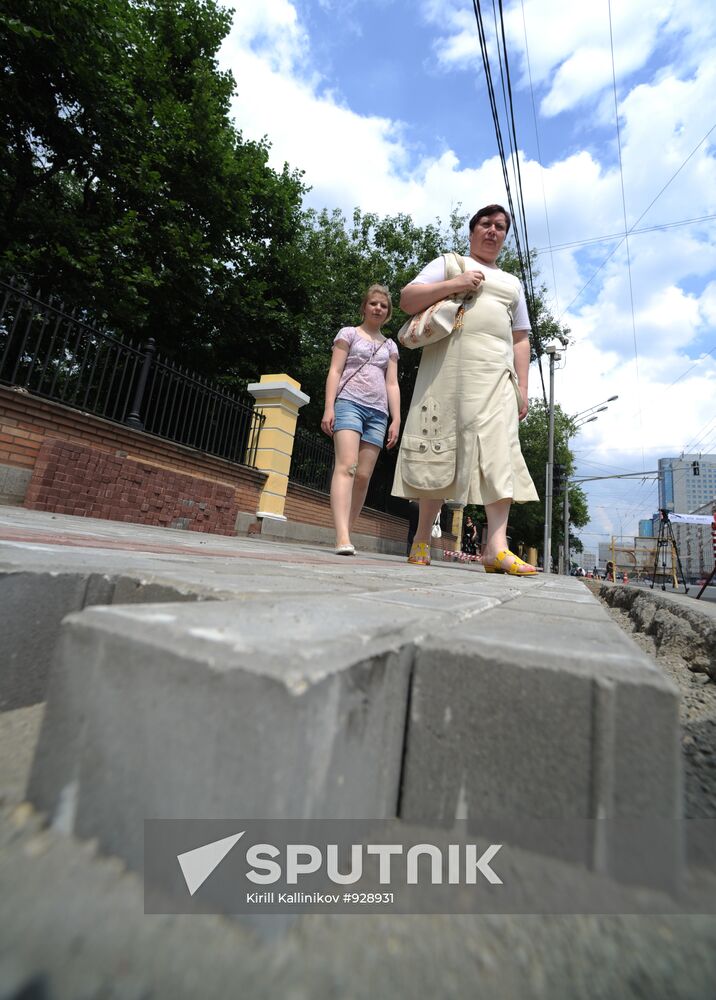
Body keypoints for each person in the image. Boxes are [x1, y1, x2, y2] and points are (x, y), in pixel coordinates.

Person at [392, 204, 539, 574]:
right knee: (440, 450)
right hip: (448, 374)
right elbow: (407, 300)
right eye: (486, 224)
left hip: (497, 379)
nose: (493, 231)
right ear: (472, 231)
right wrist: (455, 284)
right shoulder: (450, 263)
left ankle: (496, 549)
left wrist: (523, 387)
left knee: (500, 453)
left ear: (504, 237)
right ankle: (422, 537)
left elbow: (521, 338)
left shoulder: (512, 283)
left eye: (500, 227)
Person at [321, 284, 400, 555]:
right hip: (349, 404)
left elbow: (392, 384)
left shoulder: (390, 346)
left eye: (383, 305)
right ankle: (342, 536)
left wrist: (396, 419)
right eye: (374, 303)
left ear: (388, 312)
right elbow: (335, 370)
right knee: (347, 466)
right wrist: (329, 407)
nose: (378, 308)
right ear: (364, 307)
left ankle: (348, 532)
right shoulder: (349, 333)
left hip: (378, 413)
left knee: (363, 476)